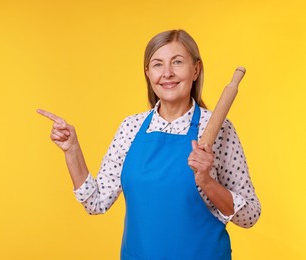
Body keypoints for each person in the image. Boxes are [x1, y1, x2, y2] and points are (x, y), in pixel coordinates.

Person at [37, 29, 261, 260]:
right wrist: (72, 150)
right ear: (147, 73)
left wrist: (206, 180)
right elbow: (96, 202)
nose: (167, 73)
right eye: (157, 64)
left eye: (177, 62)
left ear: (196, 70)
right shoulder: (130, 127)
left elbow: (249, 216)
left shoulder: (218, 129)